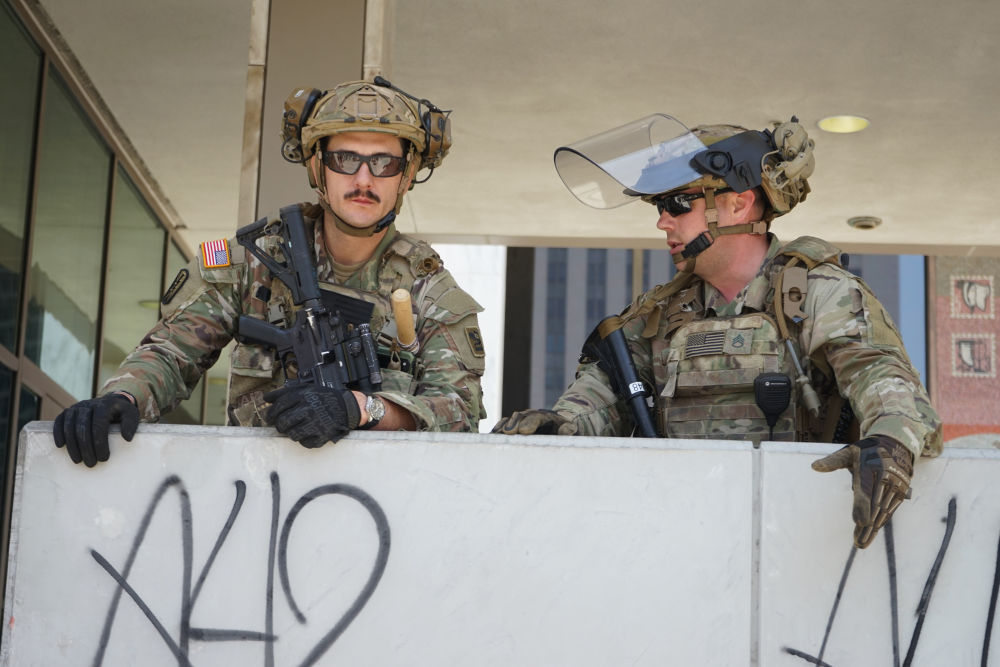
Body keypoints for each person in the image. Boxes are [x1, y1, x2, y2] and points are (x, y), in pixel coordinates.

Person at [493, 114, 942, 549]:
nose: (662, 221)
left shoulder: (818, 293)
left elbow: (882, 378)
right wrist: (559, 426)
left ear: (738, 203)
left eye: (677, 204)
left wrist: (889, 441)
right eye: (660, 207)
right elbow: (600, 401)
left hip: (802, 541)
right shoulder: (658, 315)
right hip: (680, 538)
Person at [54, 78, 487, 465]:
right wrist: (123, 396)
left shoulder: (429, 291)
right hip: (255, 493)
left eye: (384, 163)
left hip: (375, 502)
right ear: (316, 166)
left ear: (406, 175)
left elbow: (459, 413)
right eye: (344, 159)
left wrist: (359, 409)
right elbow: (172, 351)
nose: (363, 179)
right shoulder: (252, 261)